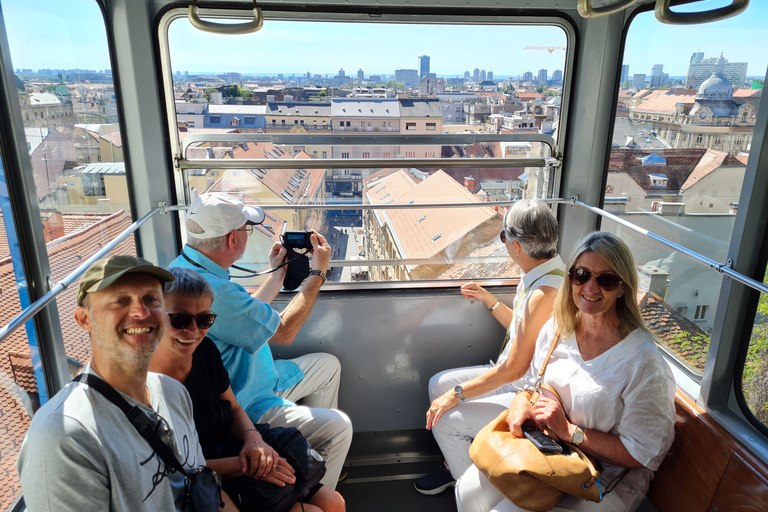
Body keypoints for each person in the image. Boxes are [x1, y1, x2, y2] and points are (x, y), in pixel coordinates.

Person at [455, 231, 676, 512]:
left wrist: (569, 431)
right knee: (468, 491)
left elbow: (642, 453)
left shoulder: (644, 364)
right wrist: (523, 400)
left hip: (604, 480)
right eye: (581, 274)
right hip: (550, 451)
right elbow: (533, 384)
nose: (591, 287)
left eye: (606, 279)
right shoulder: (559, 329)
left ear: (623, 288)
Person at [170, 192, 352, 489]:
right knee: (339, 426)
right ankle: (317, 489)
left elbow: (245, 315)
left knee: (327, 366)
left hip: (260, 375)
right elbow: (285, 333)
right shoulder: (214, 289)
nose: (247, 234)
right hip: (247, 399)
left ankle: (315, 459)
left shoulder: (189, 268)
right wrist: (317, 273)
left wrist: (277, 275)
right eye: (246, 229)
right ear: (232, 240)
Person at [17, 256, 206, 512]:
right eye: (120, 300)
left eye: (151, 299)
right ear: (84, 319)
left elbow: (203, 487)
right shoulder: (63, 436)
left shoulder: (174, 392)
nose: (141, 312)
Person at [150, 267, 345, 512]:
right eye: (179, 319)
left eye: (204, 320)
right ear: (157, 314)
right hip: (200, 473)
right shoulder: (148, 383)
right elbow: (177, 466)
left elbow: (232, 406)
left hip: (232, 449)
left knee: (333, 502)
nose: (193, 331)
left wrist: (254, 440)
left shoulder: (205, 351)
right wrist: (248, 464)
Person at [416, 199, 565, 495]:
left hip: (526, 387)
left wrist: (457, 396)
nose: (503, 243)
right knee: (436, 385)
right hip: (513, 374)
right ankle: (460, 462)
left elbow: (515, 369)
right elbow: (523, 332)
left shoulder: (545, 291)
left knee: (445, 417)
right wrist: (491, 301)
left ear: (517, 246)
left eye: (503, 237)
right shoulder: (543, 272)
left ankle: (471, 490)